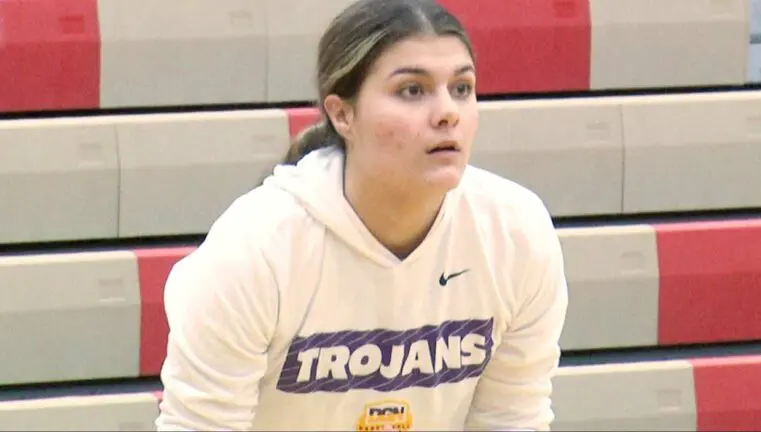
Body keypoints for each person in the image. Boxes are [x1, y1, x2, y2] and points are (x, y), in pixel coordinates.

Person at [155, 0, 569, 430]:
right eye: (413, 90)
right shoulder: (255, 249)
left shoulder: (515, 232)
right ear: (342, 114)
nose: (448, 111)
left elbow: (512, 419)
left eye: (462, 88)